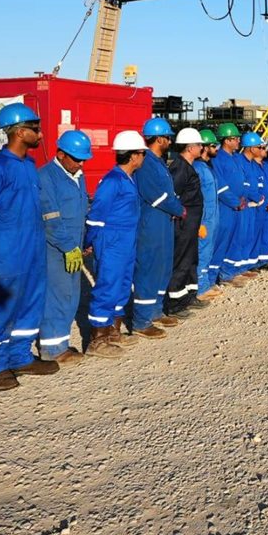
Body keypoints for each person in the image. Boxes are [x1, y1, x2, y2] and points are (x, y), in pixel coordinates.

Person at [0, 102, 53, 391]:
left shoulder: (28, 165)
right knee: (2, 307)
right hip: (5, 251)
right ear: (18, 132)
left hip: (32, 249)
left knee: (31, 302)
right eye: (35, 128)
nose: (40, 134)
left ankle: (20, 357)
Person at [84, 131, 147, 357]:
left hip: (126, 240)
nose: (143, 157)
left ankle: (113, 331)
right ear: (133, 156)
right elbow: (96, 215)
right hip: (111, 240)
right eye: (142, 153)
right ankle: (97, 341)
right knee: (107, 286)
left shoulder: (128, 178)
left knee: (122, 284)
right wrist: (89, 240)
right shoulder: (112, 180)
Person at [37, 130, 91, 364]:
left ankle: (61, 342)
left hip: (73, 246)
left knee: (70, 295)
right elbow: (50, 218)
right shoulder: (45, 177)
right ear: (60, 154)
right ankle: (52, 349)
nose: (81, 163)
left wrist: (83, 242)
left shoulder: (78, 175)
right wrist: (68, 246)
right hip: (55, 248)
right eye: (77, 159)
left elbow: (81, 211)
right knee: (56, 296)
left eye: (83, 159)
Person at [129, 118, 184, 340]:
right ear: (160, 139)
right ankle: (141, 321)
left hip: (164, 221)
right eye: (168, 137)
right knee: (149, 269)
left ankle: (155, 311)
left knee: (163, 266)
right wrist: (178, 208)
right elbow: (156, 195)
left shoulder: (158, 161)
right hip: (152, 222)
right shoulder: (147, 163)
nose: (170, 141)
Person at [165, 127, 205, 321]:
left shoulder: (188, 166)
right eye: (199, 145)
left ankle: (189, 296)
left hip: (191, 223)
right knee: (181, 261)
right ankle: (175, 303)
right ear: (190, 148)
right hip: (183, 224)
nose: (201, 148)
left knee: (190, 259)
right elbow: (174, 195)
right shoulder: (180, 168)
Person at [211, 123, 249, 285]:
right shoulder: (218, 158)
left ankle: (228, 272)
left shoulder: (235, 157)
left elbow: (242, 179)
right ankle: (211, 279)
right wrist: (234, 201)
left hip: (238, 205)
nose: (239, 141)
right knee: (221, 241)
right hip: (226, 206)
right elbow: (220, 185)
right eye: (235, 138)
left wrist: (242, 199)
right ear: (227, 140)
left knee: (235, 239)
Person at [194, 129, 222, 301]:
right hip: (204, 217)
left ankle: (205, 284)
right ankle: (200, 288)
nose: (216, 148)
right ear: (204, 147)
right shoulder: (198, 168)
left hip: (212, 215)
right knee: (202, 251)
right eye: (213, 145)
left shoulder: (206, 167)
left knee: (208, 250)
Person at [241, 131, 268, 270]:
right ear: (252, 148)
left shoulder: (255, 165)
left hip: (259, 204)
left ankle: (254, 262)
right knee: (247, 237)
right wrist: (258, 198)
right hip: (249, 205)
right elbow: (245, 186)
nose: (263, 150)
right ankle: (246, 265)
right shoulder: (244, 163)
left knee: (258, 235)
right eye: (260, 147)